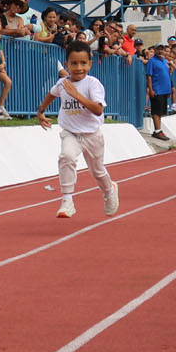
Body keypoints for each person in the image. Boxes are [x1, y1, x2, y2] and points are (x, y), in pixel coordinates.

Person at [37, 39, 119, 219]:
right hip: (70, 133)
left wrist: (76, 95)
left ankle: (109, 190)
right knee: (66, 157)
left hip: (92, 134)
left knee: (97, 171)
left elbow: (98, 110)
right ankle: (67, 199)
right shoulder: (62, 83)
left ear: (90, 64)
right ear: (66, 64)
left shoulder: (92, 84)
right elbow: (51, 94)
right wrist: (41, 111)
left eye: (83, 63)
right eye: (74, 63)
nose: (79, 68)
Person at [145, 42, 173, 141]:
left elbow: (167, 75)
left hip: (165, 90)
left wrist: (169, 90)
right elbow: (149, 76)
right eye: (158, 49)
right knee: (156, 111)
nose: (160, 51)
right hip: (157, 90)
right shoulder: (151, 61)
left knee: (160, 112)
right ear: (155, 50)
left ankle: (159, 129)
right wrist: (151, 89)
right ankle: (157, 131)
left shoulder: (165, 61)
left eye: (162, 49)